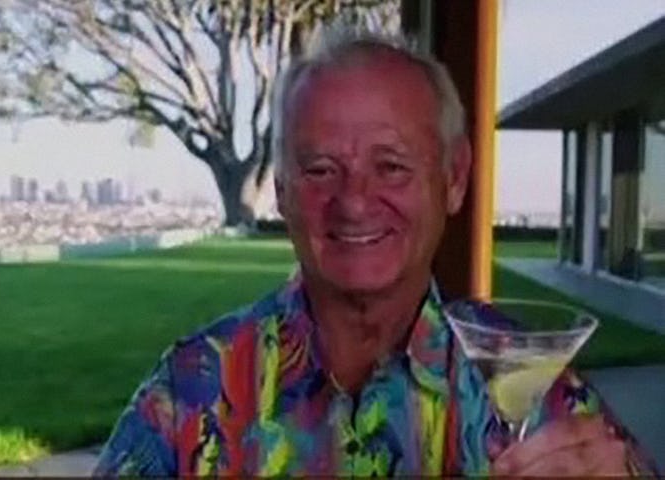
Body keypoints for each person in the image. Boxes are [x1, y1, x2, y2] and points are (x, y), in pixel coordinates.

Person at [94, 27, 657, 477]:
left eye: (390, 166)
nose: (354, 203)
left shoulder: (535, 383)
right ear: (284, 192)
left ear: (454, 179)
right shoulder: (193, 387)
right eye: (319, 170)